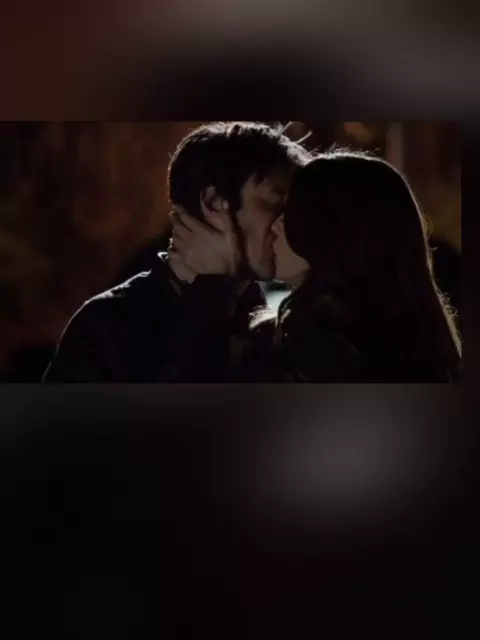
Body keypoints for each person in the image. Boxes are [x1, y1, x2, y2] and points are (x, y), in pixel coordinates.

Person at [43, 122, 310, 382]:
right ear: (214, 203)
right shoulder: (110, 323)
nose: (286, 221)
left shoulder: (256, 315)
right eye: (276, 202)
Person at [251, 149, 461, 382]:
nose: (276, 226)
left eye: (291, 213)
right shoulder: (424, 343)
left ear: (337, 231)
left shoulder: (306, 349)